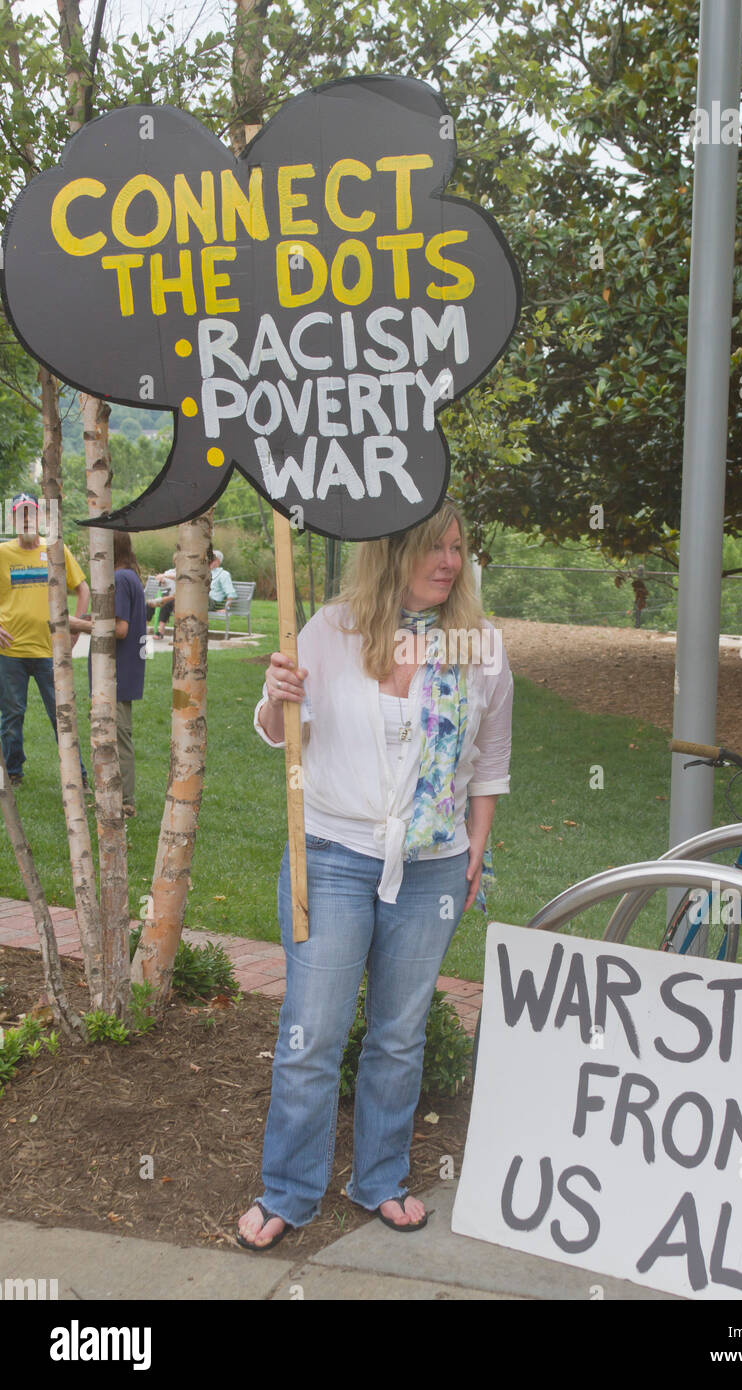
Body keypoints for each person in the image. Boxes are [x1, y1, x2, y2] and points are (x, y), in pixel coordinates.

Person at [236, 499, 512, 1250]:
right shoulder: (331, 630)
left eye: (457, 547)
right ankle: (289, 1191)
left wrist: (475, 849)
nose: (449, 562)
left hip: (432, 868)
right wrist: (277, 698)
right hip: (330, 855)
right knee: (311, 1032)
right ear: (391, 552)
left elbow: (490, 763)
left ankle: (379, 1178)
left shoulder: (478, 646)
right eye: (433, 547)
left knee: (399, 1034)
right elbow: (276, 730)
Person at [0, 492, 89, 788]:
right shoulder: (2, 553)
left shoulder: (55, 550)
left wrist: (76, 625)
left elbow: (82, 588)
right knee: (12, 716)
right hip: (10, 652)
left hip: (50, 651)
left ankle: (77, 774)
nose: (26, 519)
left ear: (40, 518)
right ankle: (13, 772)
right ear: (12, 519)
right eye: (20, 514)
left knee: (61, 715)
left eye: (31, 513)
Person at [71, 531, 147, 817]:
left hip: (117, 675)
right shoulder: (127, 577)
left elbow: (120, 629)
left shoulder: (121, 579)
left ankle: (125, 801)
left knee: (117, 738)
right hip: (116, 674)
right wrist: (89, 619)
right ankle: (110, 795)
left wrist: (78, 624)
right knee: (109, 736)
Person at [209, 549, 237, 617]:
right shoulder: (203, 572)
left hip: (211, 602)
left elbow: (231, 593)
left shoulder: (224, 574)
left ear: (218, 561)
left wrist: (226, 608)